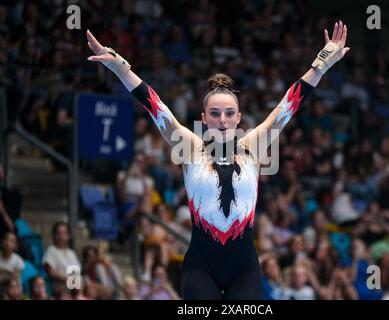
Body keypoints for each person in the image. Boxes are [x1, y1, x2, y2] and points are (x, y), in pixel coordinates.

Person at [86, 20, 350, 299]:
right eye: (214, 113)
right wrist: (120, 68)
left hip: (244, 269)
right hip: (201, 269)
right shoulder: (190, 148)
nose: (221, 119)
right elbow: (155, 106)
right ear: (203, 118)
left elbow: (290, 103)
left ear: (238, 118)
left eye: (228, 113)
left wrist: (322, 63)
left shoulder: (253, 146)